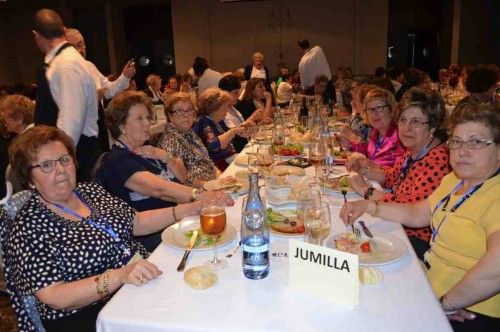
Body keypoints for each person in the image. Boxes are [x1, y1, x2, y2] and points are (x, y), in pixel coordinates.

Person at [3, 125, 222, 331]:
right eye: (47, 165)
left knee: (206, 296)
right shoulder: (29, 224)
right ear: (29, 178)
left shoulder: (89, 192)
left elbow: (135, 222)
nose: (60, 170)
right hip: (90, 314)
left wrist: (187, 209)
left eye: (64, 159)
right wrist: (119, 276)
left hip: (137, 284)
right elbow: (55, 296)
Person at [340, 102, 500, 331]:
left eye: (476, 142)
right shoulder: (455, 181)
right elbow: (417, 213)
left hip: (470, 311)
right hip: (428, 284)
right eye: (456, 141)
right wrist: (368, 205)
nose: (462, 151)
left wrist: (446, 303)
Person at [96, 91, 231, 251]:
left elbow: (183, 177)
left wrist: (163, 156)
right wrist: (202, 196)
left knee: (226, 233)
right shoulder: (117, 159)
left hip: (176, 223)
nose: (147, 123)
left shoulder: (146, 151)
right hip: (151, 237)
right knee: (220, 240)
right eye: (140, 118)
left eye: (147, 118)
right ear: (121, 126)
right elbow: (160, 189)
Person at [347, 88, 451, 257]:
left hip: (416, 240)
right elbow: (390, 177)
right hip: (396, 225)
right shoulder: (415, 150)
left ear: (432, 126)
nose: (406, 128)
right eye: (403, 120)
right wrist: (364, 169)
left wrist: (367, 192)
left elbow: (407, 208)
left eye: (415, 122)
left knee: (353, 246)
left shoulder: (437, 160)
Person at [31, 9, 100, 182]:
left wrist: (56, 163)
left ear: (36, 35)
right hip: (72, 152)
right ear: (63, 30)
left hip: (76, 155)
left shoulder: (65, 65)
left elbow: (71, 124)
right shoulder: (66, 61)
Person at [66, 28, 136, 152]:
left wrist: (124, 76)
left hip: (100, 126)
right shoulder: (63, 72)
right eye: (74, 46)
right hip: (80, 133)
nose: (80, 50)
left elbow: (108, 90)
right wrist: (91, 97)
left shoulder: (89, 66)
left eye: (81, 44)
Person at [157, 93, 220, 188]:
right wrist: (209, 185)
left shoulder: (190, 133)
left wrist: (219, 175)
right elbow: (178, 181)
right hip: (198, 194)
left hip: (213, 184)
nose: (186, 115)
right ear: (169, 115)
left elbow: (206, 160)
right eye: (179, 111)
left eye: (190, 110)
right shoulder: (170, 141)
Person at [346, 88, 405, 167]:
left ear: (391, 109)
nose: (374, 113)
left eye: (379, 108)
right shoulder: (375, 132)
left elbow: (398, 171)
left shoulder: (399, 136)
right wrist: (349, 145)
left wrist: (366, 166)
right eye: (370, 109)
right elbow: (369, 152)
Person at [193, 88, 246, 171]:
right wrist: (233, 132)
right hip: (218, 164)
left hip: (228, 158)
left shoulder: (217, 121)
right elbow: (214, 145)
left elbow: (228, 134)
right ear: (215, 108)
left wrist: (241, 129)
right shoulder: (205, 122)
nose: (227, 110)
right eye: (225, 107)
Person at [218, 74, 260, 152]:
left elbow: (241, 129)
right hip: (237, 151)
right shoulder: (221, 113)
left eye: (238, 92)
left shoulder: (233, 108)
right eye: (235, 93)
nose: (238, 95)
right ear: (224, 93)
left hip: (245, 146)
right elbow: (235, 137)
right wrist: (251, 118)